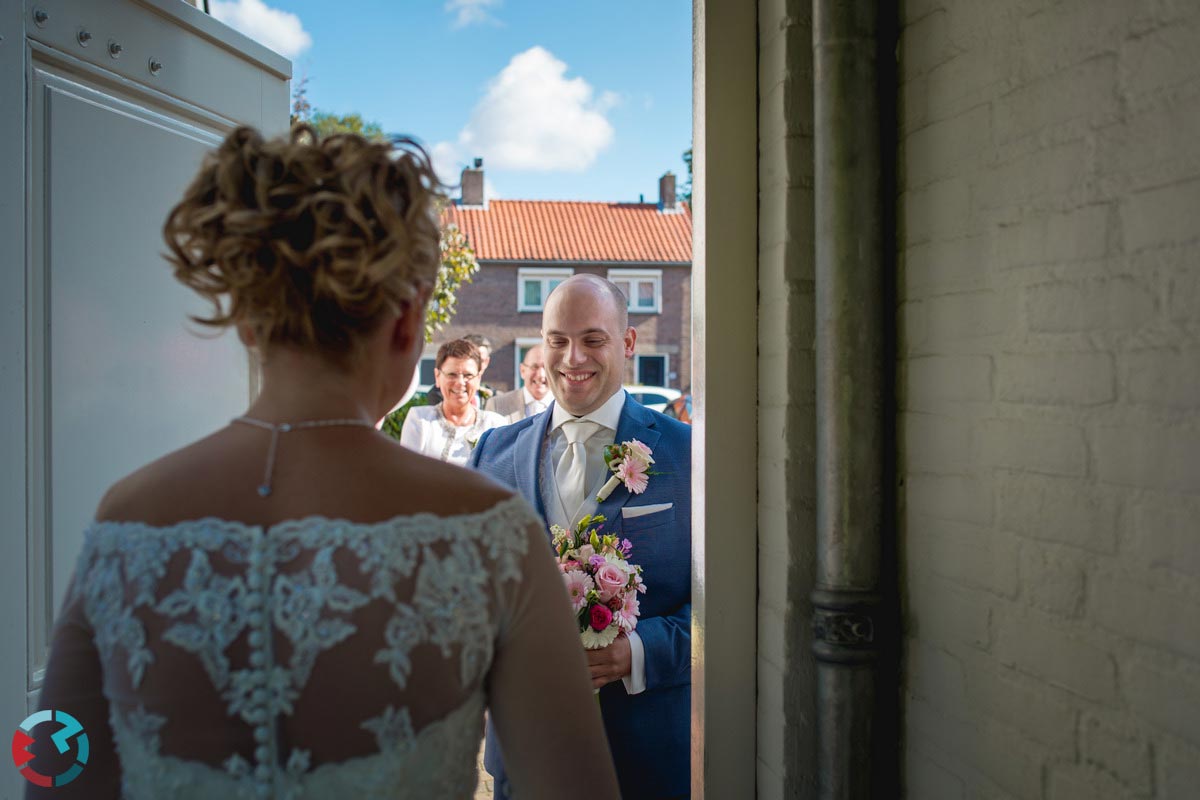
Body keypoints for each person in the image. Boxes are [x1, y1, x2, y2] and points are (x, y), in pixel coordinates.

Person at [29, 126, 619, 800]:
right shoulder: (495, 535)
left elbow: (49, 760)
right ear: (405, 323)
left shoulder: (125, 517)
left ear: (249, 321)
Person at [470, 274, 692, 800]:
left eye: (593, 339)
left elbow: (725, 613)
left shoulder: (687, 455)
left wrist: (637, 651)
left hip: (644, 760)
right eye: (557, 340)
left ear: (628, 343)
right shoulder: (492, 454)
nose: (573, 358)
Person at [398, 338, 506, 465]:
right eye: (452, 374)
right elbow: (407, 472)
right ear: (437, 377)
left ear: (478, 379)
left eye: (468, 375)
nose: (460, 383)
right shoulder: (420, 420)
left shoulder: (495, 424)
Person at [424, 333, 494, 408]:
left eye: (481, 360)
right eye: (452, 374)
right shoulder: (439, 394)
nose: (460, 382)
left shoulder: (495, 396)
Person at [486, 344, 551, 422]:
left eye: (546, 368)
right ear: (522, 371)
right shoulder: (497, 405)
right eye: (534, 367)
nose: (541, 375)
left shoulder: (565, 407)